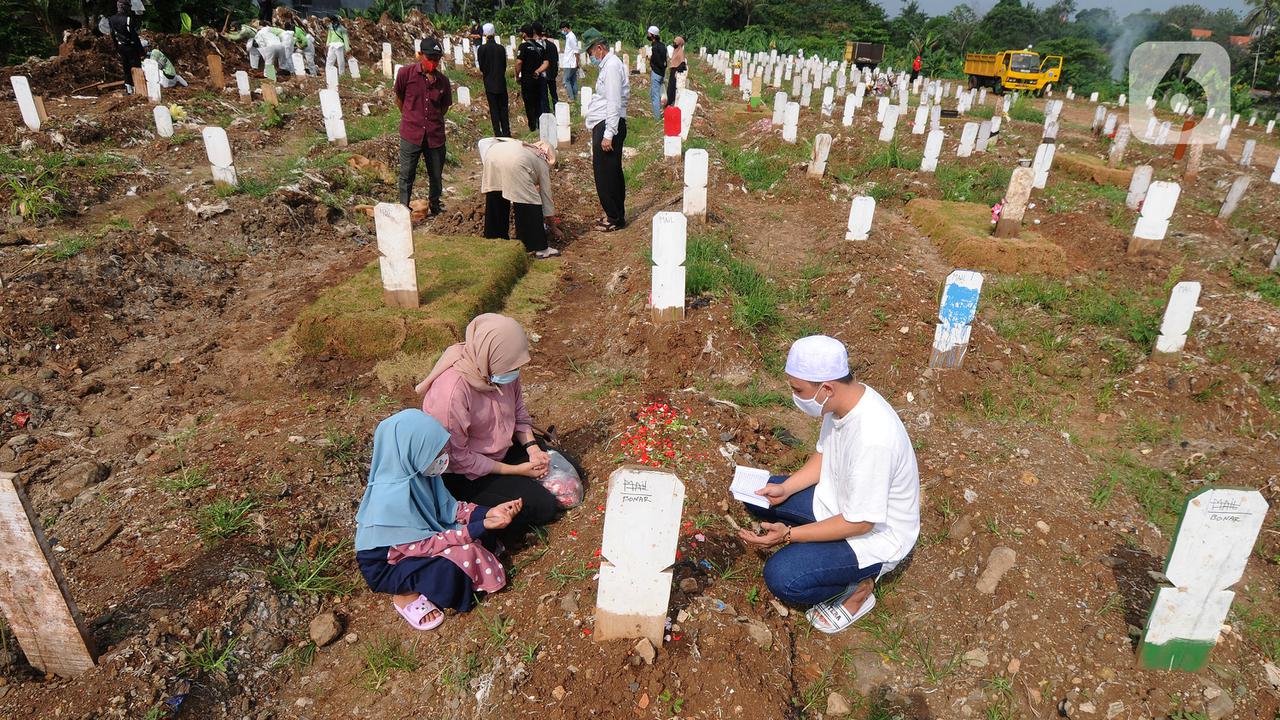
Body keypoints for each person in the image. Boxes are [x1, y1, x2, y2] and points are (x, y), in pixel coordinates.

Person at [738, 335, 920, 634]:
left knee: (783, 576)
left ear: (826, 388)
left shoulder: (874, 439)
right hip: (837, 502)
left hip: (871, 536)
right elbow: (825, 455)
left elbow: (860, 523)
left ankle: (858, 590)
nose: (794, 396)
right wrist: (788, 488)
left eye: (798, 389)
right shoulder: (842, 403)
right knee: (758, 495)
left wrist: (789, 535)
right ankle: (817, 541)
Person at [355, 409, 523, 630]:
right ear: (411, 450)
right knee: (454, 565)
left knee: (480, 533)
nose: (443, 456)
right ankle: (404, 595)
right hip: (392, 562)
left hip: (426, 538)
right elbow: (423, 546)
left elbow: (450, 509)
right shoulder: (389, 500)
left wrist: (489, 512)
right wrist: (477, 528)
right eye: (435, 452)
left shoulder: (419, 474)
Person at [417, 314, 559, 535]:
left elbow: (519, 410)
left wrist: (532, 448)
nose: (514, 373)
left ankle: (518, 482)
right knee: (543, 507)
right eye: (509, 368)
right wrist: (517, 471)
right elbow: (459, 458)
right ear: (489, 356)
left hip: (501, 449)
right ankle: (472, 521)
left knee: (564, 470)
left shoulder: (500, 368)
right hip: (466, 474)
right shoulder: (452, 392)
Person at [395, 37, 452, 215]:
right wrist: (412, 116)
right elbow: (399, 98)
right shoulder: (406, 74)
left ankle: (435, 204)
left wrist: (431, 121)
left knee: (435, 174)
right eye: (430, 59)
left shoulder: (443, 81)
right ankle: (404, 207)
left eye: (437, 60)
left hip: (434, 135)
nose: (433, 64)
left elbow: (444, 107)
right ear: (420, 55)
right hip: (411, 133)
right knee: (407, 174)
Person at [481, 139, 563, 258]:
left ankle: (495, 240)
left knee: (496, 198)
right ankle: (538, 248)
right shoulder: (542, 160)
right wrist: (553, 227)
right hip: (517, 161)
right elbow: (546, 197)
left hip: (493, 155)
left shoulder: (526, 147)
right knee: (529, 201)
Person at [582, 28, 629, 232]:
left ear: (599, 48)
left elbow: (613, 102)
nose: (590, 56)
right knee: (611, 172)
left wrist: (608, 134)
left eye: (590, 52)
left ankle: (614, 217)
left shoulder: (611, 66)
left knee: (606, 174)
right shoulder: (609, 65)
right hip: (606, 123)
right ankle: (616, 214)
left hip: (608, 124)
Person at [477, 23, 510, 137]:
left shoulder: (481, 49)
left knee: (494, 108)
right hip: (501, 82)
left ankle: (498, 132)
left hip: (489, 82)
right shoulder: (501, 48)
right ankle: (507, 132)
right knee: (503, 108)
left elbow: (481, 67)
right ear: (494, 34)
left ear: (484, 35)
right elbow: (504, 65)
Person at [515, 24, 548, 132]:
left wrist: (517, 75)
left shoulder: (523, 47)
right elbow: (546, 63)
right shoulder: (540, 47)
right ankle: (540, 124)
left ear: (524, 34)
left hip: (527, 79)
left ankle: (532, 126)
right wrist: (538, 71)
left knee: (529, 103)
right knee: (538, 102)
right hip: (538, 79)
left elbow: (519, 62)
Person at [108, 1, 145, 95]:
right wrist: (141, 50)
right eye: (129, 7)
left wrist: (116, 47)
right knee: (136, 66)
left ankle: (128, 89)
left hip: (121, 46)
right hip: (130, 47)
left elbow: (113, 35)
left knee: (126, 67)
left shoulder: (112, 19)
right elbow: (134, 36)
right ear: (125, 7)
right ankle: (138, 88)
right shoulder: (128, 19)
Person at [646, 26, 667, 119]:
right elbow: (664, 61)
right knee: (653, 93)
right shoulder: (662, 45)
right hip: (662, 73)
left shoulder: (655, 47)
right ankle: (660, 111)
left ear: (652, 35)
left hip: (656, 73)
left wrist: (652, 61)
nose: (648, 35)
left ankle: (657, 118)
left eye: (649, 34)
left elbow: (658, 60)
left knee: (655, 96)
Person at [539, 23, 559, 112]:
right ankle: (556, 109)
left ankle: (546, 111)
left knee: (544, 94)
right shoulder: (553, 45)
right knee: (553, 93)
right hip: (553, 72)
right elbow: (556, 59)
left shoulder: (541, 46)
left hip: (545, 72)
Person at [664, 35, 686, 110]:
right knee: (670, 88)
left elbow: (682, 64)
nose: (674, 44)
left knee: (673, 89)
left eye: (675, 43)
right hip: (673, 71)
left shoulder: (680, 52)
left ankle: (671, 103)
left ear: (679, 44)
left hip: (676, 73)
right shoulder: (675, 51)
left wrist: (677, 70)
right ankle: (669, 103)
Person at [560, 22, 580, 101]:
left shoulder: (571, 37)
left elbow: (576, 51)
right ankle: (575, 98)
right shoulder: (569, 36)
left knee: (566, 80)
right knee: (573, 80)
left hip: (570, 63)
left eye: (562, 29)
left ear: (565, 28)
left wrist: (577, 62)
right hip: (571, 62)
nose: (562, 31)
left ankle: (571, 98)